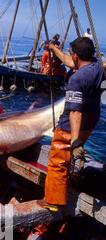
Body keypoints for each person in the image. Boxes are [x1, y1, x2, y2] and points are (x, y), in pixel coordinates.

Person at [37, 37, 104, 212]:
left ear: (75, 55)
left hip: (71, 126)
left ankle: (53, 201)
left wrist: (75, 141)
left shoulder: (76, 79)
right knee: (70, 157)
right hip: (91, 121)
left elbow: (75, 111)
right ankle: (71, 178)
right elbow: (70, 61)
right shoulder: (96, 65)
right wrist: (53, 48)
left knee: (58, 161)